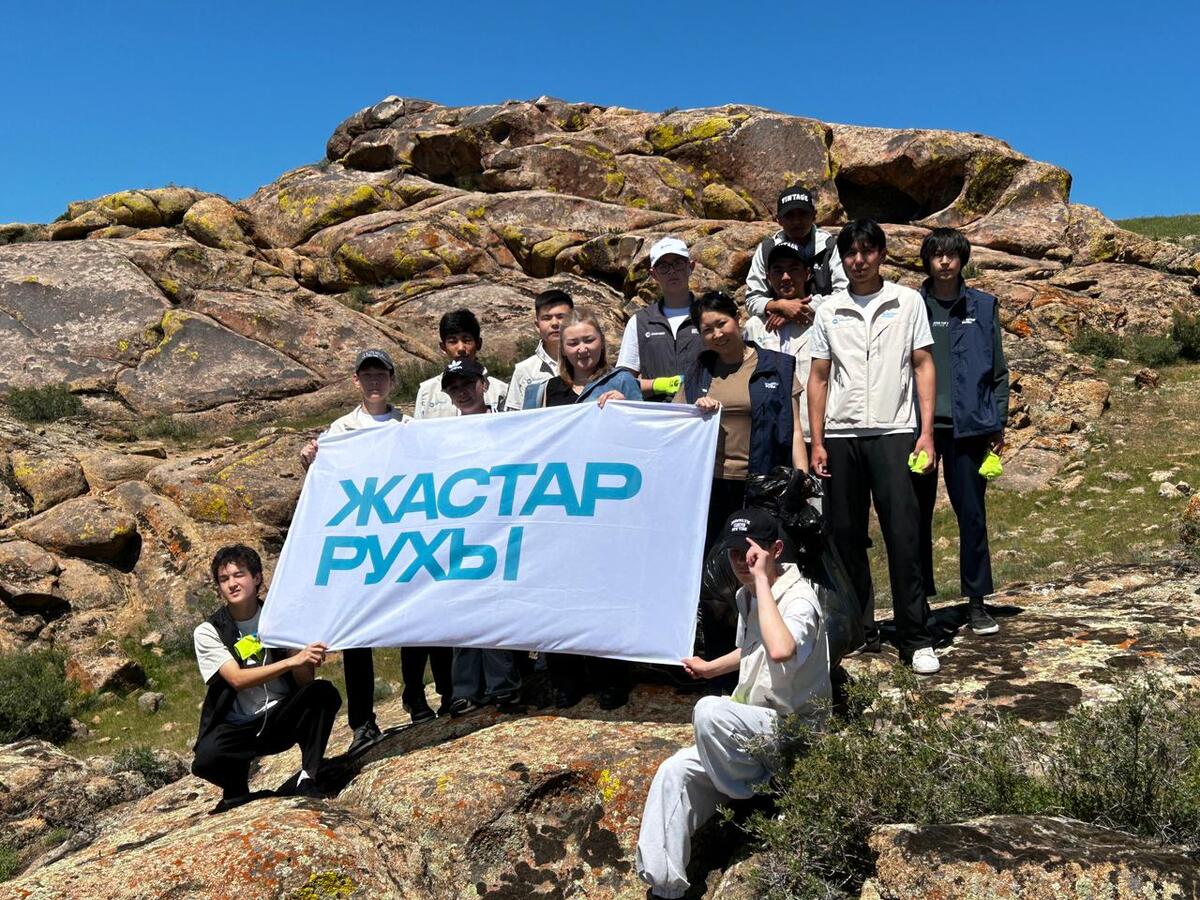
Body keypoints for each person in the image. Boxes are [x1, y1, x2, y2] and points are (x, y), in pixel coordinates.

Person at [635, 508, 831, 898]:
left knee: (709, 712)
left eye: (751, 553)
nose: (742, 562)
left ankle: (759, 796)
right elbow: (753, 648)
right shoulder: (747, 596)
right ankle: (665, 889)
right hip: (752, 734)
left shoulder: (800, 600)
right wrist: (710, 668)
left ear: (776, 550)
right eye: (734, 554)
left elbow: (781, 648)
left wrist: (761, 584)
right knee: (673, 773)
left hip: (796, 738)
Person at [807, 219, 941, 674]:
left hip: (895, 431)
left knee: (904, 534)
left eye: (867, 251)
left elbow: (922, 364)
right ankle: (858, 630)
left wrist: (926, 432)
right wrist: (817, 441)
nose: (858, 260)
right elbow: (819, 376)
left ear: (882, 255)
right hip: (841, 435)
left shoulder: (907, 301)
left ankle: (915, 637)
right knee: (844, 537)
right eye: (850, 253)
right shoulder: (829, 309)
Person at [301, 349, 433, 752]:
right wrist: (310, 460)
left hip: (402, 533)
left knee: (413, 617)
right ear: (356, 381)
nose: (375, 381)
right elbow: (326, 479)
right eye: (367, 375)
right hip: (362, 538)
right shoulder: (341, 430)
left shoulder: (409, 426)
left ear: (392, 379)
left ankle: (416, 695)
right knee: (357, 630)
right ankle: (362, 720)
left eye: (381, 374)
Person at [678, 291, 808, 674]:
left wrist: (801, 478)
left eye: (721, 324)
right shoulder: (698, 373)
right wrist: (695, 411)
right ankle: (720, 667)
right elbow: (676, 423)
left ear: (737, 319)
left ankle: (773, 658)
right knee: (716, 581)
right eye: (707, 330)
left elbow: (794, 428)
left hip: (764, 486)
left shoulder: (777, 366)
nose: (717, 334)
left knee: (763, 571)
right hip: (714, 489)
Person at [521, 308, 640, 709]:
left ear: (602, 342)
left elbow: (644, 441)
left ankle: (611, 677)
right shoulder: (542, 392)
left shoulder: (622, 381)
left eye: (589, 340)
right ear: (561, 347)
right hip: (556, 506)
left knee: (604, 591)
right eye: (573, 342)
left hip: (605, 506)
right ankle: (565, 678)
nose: (582, 349)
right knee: (558, 594)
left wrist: (629, 409)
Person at [191, 545, 341, 814]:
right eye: (224, 579)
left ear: (257, 577)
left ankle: (308, 776)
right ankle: (236, 790)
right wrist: (291, 661)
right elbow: (236, 679)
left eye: (239, 575)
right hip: (239, 726)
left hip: (281, 715)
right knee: (205, 760)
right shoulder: (209, 631)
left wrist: (300, 656)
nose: (232, 584)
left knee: (322, 693)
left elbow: (304, 681)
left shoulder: (281, 618)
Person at [916, 227, 1009, 636]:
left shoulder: (984, 306)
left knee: (972, 515)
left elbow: (999, 371)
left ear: (962, 260)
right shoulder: (912, 305)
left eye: (952, 254)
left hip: (970, 428)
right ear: (927, 260)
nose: (944, 261)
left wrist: (998, 420)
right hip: (918, 428)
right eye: (937, 254)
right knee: (915, 516)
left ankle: (976, 601)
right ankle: (919, 602)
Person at [440, 357, 525, 715]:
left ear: (484, 384)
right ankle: (465, 689)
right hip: (458, 530)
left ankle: (503, 685)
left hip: (499, 526)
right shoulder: (441, 434)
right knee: (462, 606)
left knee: (495, 607)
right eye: (453, 388)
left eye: (467, 384)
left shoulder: (508, 424)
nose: (461, 392)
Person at [742, 240, 818, 443]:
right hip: (769, 434)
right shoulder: (754, 326)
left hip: (814, 432)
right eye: (778, 270)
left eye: (793, 269)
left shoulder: (822, 319)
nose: (785, 277)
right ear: (768, 277)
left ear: (807, 273)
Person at [744, 184, 847, 332]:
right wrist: (780, 306)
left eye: (802, 214)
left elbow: (844, 292)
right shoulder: (766, 250)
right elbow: (752, 298)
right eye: (789, 215)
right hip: (777, 324)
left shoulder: (830, 247)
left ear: (814, 215)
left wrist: (802, 308)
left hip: (825, 320)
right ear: (778, 220)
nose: (796, 221)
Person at [616, 236, 703, 401]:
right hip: (656, 414)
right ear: (653, 274)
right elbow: (623, 382)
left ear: (690, 267)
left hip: (704, 412)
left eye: (678, 263)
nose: (672, 271)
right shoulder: (640, 322)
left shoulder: (709, 315)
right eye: (663, 266)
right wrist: (660, 385)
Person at [413, 308, 508, 418]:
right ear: (443, 347)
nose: (461, 348)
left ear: (479, 343)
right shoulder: (427, 392)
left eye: (467, 340)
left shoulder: (500, 390)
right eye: (453, 341)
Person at [504, 288, 574, 411]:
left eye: (561, 316)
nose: (555, 323)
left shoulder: (586, 364)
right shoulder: (524, 370)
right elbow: (513, 416)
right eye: (547, 318)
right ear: (537, 326)